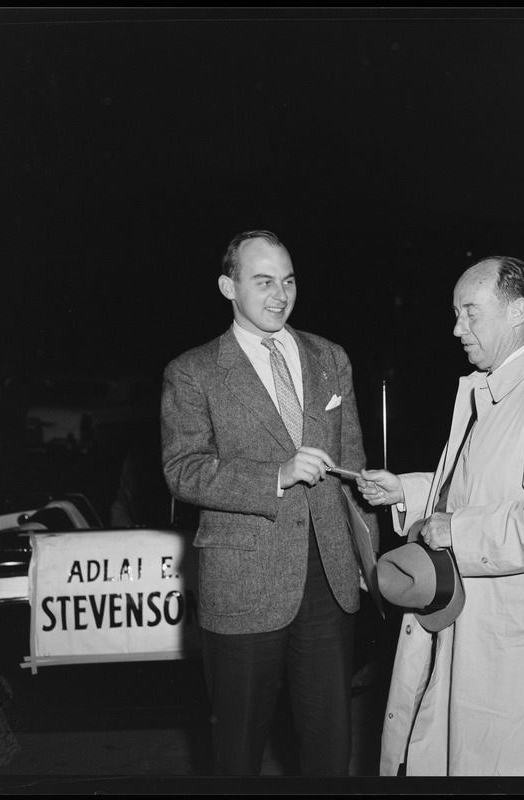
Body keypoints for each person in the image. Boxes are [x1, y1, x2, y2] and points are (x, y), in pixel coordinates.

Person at [357, 256, 524, 776]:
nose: (457, 328)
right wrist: (405, 489)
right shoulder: (493, 391)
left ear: (517, 312)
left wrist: (459, 531)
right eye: (456, 314)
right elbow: (479, 490)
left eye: (470, 313)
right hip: (484, 628)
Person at [161, 229, 378, 777]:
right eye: (263, 281)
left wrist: (364, 554)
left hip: (330, 578)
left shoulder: (330, 357)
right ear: (227, 287)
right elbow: (182, 470)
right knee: (239, 746)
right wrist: (274, 477)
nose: (280, 294)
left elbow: (351, 464)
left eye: (288, 280)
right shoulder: (193, 372)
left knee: (330, 741)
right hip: (243, 580)